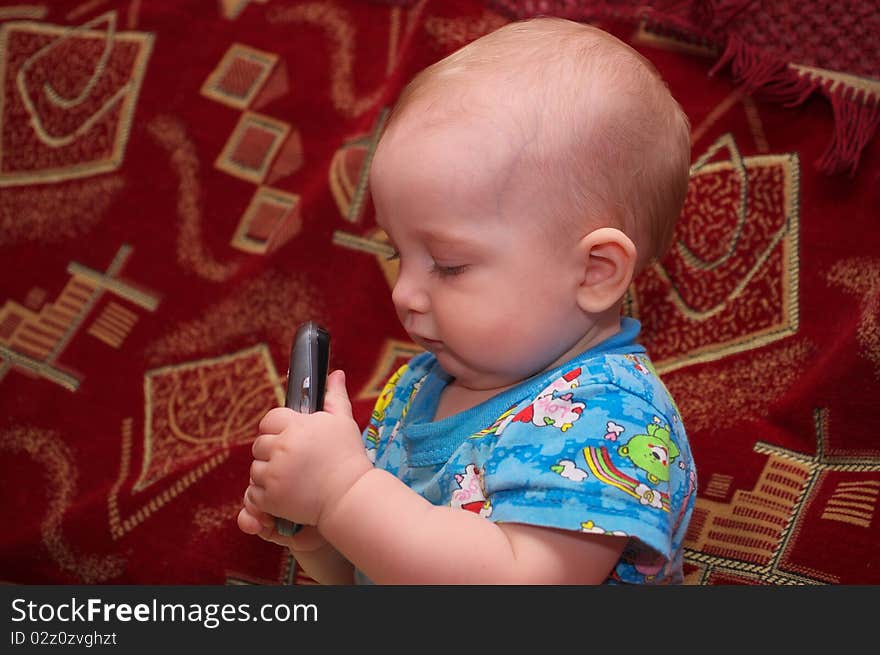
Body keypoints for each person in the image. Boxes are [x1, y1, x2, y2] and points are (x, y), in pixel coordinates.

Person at [238, 17, 696, 584]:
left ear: (595, 272)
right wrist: (317, 532)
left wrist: (343, 493)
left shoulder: (610, 417)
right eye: (395, 253)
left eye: (449, 265)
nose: (404, 292)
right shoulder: (414, 391)